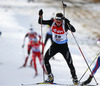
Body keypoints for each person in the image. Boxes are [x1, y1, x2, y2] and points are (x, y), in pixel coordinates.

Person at [38, 9, 79, 85]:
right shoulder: (52, 22)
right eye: (57, 21)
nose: (58, 22)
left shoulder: (65, 24)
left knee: (70, 63)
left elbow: (73, 30)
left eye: (59, 21)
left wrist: (68, 22)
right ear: (55, 19)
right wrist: (40, 16)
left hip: (64, 47)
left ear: (62, 20)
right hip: (55, 45)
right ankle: (50, 76)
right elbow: (40, 22)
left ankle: (75, 79)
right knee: (45, 59)